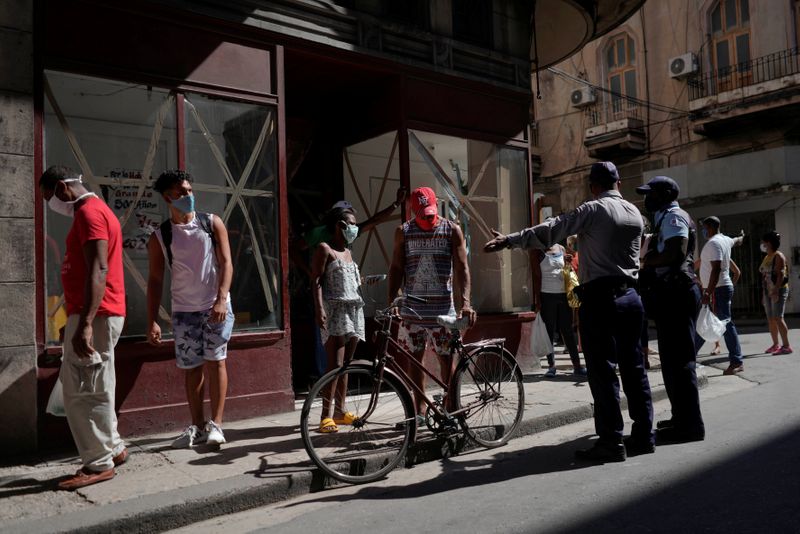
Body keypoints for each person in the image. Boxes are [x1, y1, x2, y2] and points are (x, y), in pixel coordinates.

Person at [485, 161, 654, 462]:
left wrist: (510, 240)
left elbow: (553, 229)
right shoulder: (635, 214)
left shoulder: (592, 209)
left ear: (593, 186)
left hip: (600, 300)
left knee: (602, 373)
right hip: (631, 298)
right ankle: (644, 435)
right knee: (634, 369)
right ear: (619, 183)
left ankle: (611, 442)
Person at [39, 166, 128, 490]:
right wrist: (75, 320)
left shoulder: (90, 213)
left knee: (84, 392)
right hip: (95, 314)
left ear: (63, 188)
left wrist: (86, 324)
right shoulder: (90, 212)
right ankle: (113, 448)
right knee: (97, 383)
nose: (50, 203)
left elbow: (98, 269)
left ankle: (98, 464)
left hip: (99, 315)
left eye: (49, 196)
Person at [147, 170, 234, 448]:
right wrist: (152, 319)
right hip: (184, 312)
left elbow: (227, 263)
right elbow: (156, 279)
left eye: (189, 190)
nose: (188, 195)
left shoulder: (211, 223)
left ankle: (216, 425)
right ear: (167, 197)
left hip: (214, 308)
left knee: (216, 362)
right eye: (181, 192)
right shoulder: (161, 236)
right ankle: (196, 426)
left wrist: (221, 299)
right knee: (192, 368)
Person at [388, 186, 476, 417]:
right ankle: (420, 408)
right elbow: (396, 267)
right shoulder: (403, 232)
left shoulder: (451, 230)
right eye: (422, 213)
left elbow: (462, 268)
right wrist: (393, 299)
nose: (428, 217)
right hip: (412, 311)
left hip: (443, 310)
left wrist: (465, 302)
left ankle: (452, 406)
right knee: (415, 361)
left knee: (447, 360)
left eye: (431, 211)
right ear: (413, 211)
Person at [638, 176, 705, 444]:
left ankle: (691, 426)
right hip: (671, 294)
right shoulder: (663, 217)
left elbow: (676, 253)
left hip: (678, 292)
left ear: (664, 194)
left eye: (650, 194)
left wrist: (645, 259)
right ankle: (681, 418)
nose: (646, 199)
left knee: (681, 362)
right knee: (671, 363)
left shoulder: (674, 216)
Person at [311, 207, 365, 433]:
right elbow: (315, 281)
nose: (354, 228)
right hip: (336, 311)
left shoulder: (349, 252)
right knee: (335, 364)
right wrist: (319, 308)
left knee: (346, 365)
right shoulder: (325, 249)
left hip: (354, 310)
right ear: (339, 226)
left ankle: (340, 411)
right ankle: (325, 415)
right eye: (351, 224)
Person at [694, 216, 746, 374]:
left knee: (725, 324)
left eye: (703, 227)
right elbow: (736, 241)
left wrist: (708, 292)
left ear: (709, 227)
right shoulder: (725, 240)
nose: (702, 230)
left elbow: (716, 269)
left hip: (717, 289)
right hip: (718, 289)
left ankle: (736, 361)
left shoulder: (714, 243)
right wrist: (741, 237)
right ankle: (689, 355)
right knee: (706, 321)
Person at [530, 244, 585, 377]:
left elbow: (566, 270)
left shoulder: (561, 248)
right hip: (546, 295)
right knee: (549, 330)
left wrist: (568, 262)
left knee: (567, 330)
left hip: (563, 295)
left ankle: (577, 366)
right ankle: (551, 366)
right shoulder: (537, 250)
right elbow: (536, 277)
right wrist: (538, 300)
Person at [759, 231, 792, 355]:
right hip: (768, 291)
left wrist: (776, 291)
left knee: (778, 317)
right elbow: (764, 276)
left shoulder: (778, 256)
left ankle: (786, 346)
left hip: (777, 290)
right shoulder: (767, 257)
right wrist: (764, 294)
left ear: (769, 243)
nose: (763, 244)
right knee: (771, 318)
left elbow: (781, 275)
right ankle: (775, 344)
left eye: (764, 242)